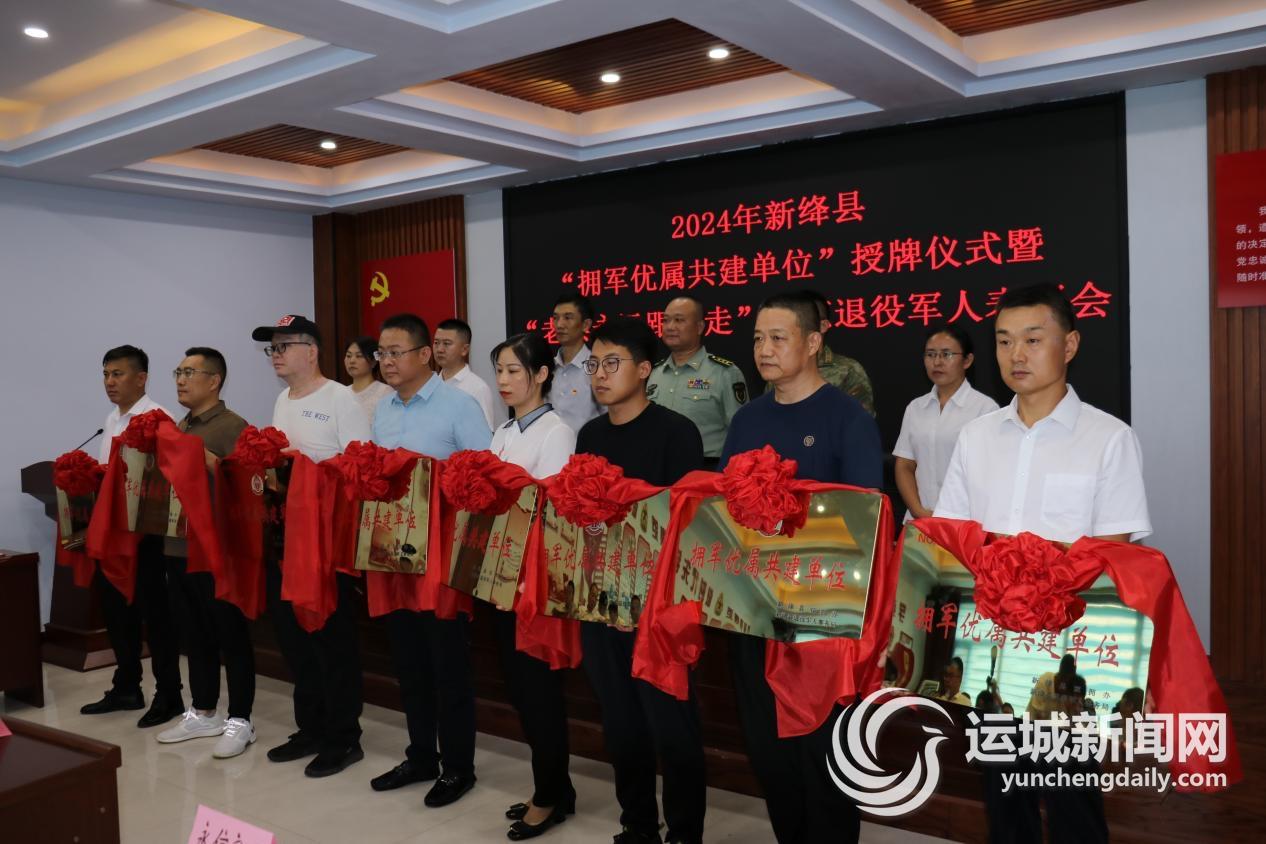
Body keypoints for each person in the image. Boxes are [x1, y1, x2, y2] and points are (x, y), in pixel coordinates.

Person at [935, 283, 1152, 844]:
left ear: (1070, 345)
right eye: (1004, 340)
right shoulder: (976, 437)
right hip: (993, 652)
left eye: (1033, 339)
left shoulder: (1108, 438)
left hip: (1068, 658)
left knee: (1072, 802)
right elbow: (952, 540)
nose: (1017, 354)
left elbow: (1114, 554)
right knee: (1004, 800)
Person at [718, 293, 883, 844]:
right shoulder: (747, 420)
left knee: (823, 756)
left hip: (821, 622)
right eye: (757, 339)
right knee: (769, 752)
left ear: (813, 342)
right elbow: (723, 513)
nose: (764, 350)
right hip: (752, 616)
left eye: (778, 338)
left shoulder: (848, 419)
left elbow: (863, 524)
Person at [575, 317, 705, 844]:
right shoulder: (589, 435)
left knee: (671, 724)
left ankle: (685, 832)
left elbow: (687, 527)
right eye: (593, 364)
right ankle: (637, 825)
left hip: (659, 607)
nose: (600, 374)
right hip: (601, 600)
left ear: (645, 369)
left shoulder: (677, 433)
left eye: (612, 363)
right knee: (620, 721)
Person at [369, 313, 491, 809]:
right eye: (381, 353)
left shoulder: (459, 406)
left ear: (425, 355)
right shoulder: (382, 408)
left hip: (441, 560)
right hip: (392, 556)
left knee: (448, 668)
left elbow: (484, 479)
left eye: (395, 352)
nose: (386, 361)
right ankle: (421, 755)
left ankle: (458, 767)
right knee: (409, 664)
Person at [252, 314, 371, 778]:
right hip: (286, 537)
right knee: (294, 637)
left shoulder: (341, 398)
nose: (276, 355)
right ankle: (311, 727)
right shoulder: (282, 400)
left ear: (312, 351)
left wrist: (307, 470)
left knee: (331, 640)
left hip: (326, 542)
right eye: (272, 347)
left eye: (284, 345)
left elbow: (359, 471)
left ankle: (343, 737)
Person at [488, 332, 578, 840]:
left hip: (534, 581)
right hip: (500, 574)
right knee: (520, 689)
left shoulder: (556, 432)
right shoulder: (502, 431)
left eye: (513, 371)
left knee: (539, 691)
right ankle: (554, 787)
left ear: (541, 374)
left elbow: (551, 512)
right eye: (499, 371)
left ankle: (549, 797)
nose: (503, 380)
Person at [154, 348, 257, 758]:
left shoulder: (233, 426)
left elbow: (248, 486)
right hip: (178, 545)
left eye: (189, 372)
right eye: (178, 372)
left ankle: (241, 719)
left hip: (216, 550)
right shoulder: (180, 426)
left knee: (230, 634)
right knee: (194, 633)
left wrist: (212, 462)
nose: (181, 380)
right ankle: (203, 711)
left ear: (214, 381)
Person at [80, 345, 184, 729]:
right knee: (116, 611)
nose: (109, 382)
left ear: (141, 378)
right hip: (113, 533)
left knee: (155, 615)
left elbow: (167, 479)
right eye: (106, 374)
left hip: (147, 535)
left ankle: (169, 695)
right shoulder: (112, 419)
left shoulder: (157, 419)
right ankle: (126, 686)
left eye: (118, 374)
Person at [893, 325, 998, 522]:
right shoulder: (916, 408)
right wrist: (918, 511)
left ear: (967, 360)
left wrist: (948, 518)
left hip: (964, 522)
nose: (937, 362)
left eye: (946, 354)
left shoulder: (985, 409)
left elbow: (989, 474)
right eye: (931, 354)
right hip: (919, 522)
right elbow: (904, 465)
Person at [647, 294, 746, 467]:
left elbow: (742, 431)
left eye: (679, 320)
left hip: (707, 469)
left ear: (699, 327)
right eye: (666, 320)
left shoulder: (724, 373)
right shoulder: (654, 373)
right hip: (658, 469)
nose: (670, 327)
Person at [763, 290, 875, 416]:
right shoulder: (779, 370)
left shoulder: (848, 370)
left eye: (804, 321)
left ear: (823, 326)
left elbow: (860, 421)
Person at [549, 292, 603, 434]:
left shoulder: (597, 368)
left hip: (586, 446)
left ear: (586, 325)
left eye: (568, 318)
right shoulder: (547, 369)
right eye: (555, 318)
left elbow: (609, 415)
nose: (559, 324)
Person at [434, 318, 498, 430]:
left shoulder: (478, 388)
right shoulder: (431, 384)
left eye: (447, 344)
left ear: (464, 349)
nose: (439, 349)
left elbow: (485, 434)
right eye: (436, 343)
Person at [344, 336, 393, 426]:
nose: (352, 361)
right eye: (348, 356)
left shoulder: (386, 393)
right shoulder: (341, 393)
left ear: (373, 362)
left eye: (359, 356)